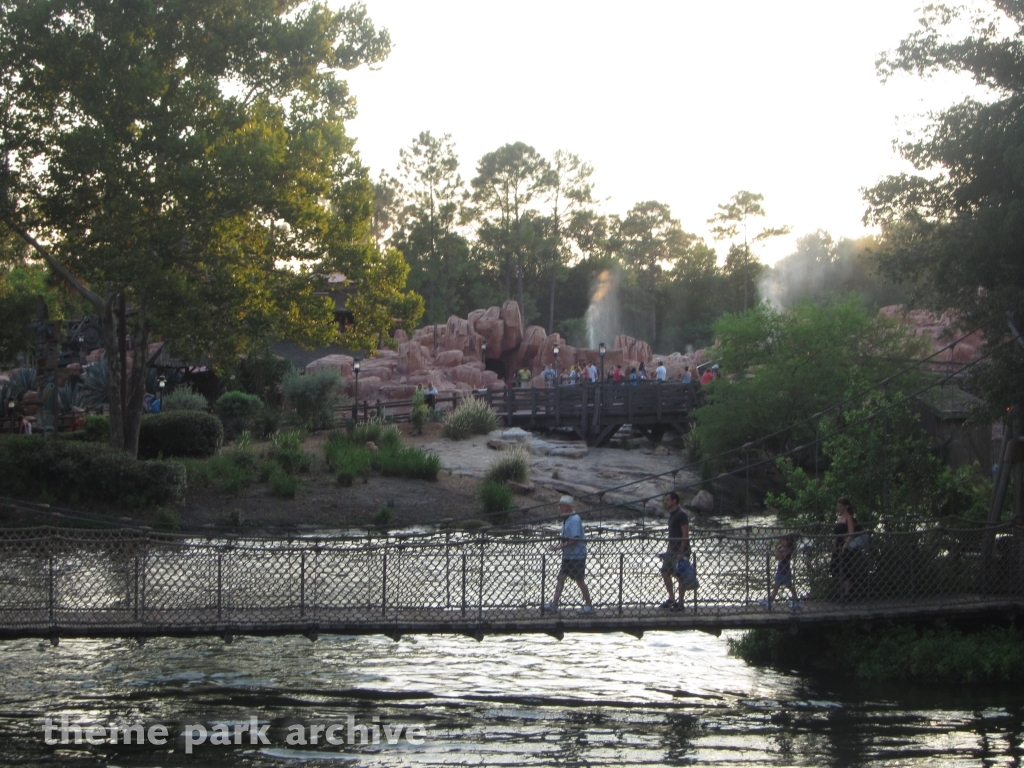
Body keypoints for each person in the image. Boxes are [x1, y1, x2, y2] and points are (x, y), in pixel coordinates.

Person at [544, 496, 593, 613]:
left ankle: (589, 605)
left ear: (567, 507)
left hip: (577, 556)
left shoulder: (575, 519)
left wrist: (558, 547)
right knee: (561, 577)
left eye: (561, 505)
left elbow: (574, 539)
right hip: (568, 556)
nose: (559, 507)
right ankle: (554, 604)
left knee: (580, 580)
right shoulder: (566, 519)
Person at [659, 492, 691, 610]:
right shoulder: (672, 515)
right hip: (672, 550)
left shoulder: (681, 514)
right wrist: (668, 551)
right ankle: (672, 599)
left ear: (674, 501)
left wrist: (681, 551)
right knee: (665, 571)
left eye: (667, 500)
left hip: (680, 550)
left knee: (680, 576)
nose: (665, 502)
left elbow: (685, 533)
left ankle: (681, 603)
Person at [759, 534, 799, 611]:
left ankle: (770, 601)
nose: (782, 542)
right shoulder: (784, 549)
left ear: (788, 542)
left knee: (782, 587)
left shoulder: (788, 550)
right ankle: (770, 600)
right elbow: (777, 557)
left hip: (784, 571)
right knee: (779, 587)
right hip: (781, 570)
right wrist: (778, 549)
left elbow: (780, 557)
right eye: (782, 540)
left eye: (784, 540)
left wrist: (778, 549)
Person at [830, 497, 858, 601]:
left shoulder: (849, 517)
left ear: (846, 506)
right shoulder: (839, 518)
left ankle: (847, 593)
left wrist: (845, 545)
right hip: (838, 545)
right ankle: (841, 590)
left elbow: (851, 532)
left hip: (845, 546)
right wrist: (834, 545)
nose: (839, 508)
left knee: (845, 568)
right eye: (838, 506)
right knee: (835, 567)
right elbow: (836, 534)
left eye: (841, 506)